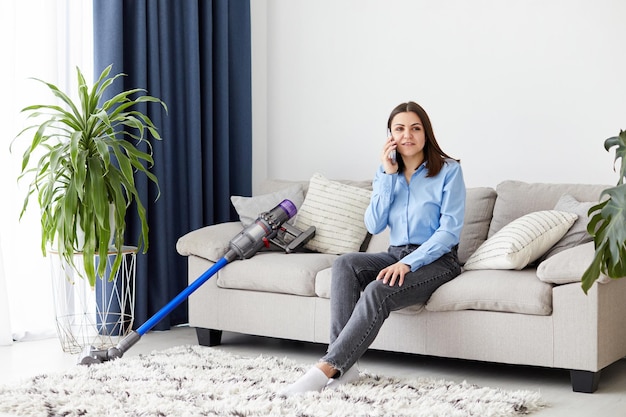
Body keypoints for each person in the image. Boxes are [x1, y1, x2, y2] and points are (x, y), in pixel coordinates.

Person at [279, 101, 466, 397]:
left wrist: (410, 263)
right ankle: (347, 367)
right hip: (395, 253)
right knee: (345, 264)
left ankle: (327, 368)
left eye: (415, 128)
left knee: (378, 290)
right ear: (390, 135)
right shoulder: (386, 173)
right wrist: (388, 175)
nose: (408, 135)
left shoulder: (448, 171)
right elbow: (374, 223)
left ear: (426, 133)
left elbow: (448, 232)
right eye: (400, 129)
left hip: (438, 260)